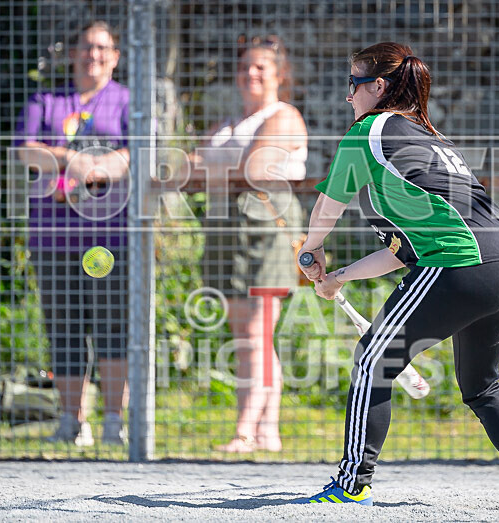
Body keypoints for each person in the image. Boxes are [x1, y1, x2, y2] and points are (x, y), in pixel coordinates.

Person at [293, 42, 499, 509]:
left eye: (353, 85)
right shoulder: (427, 138)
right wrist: (338, 274)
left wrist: (310, 247)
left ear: (377, 87)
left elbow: (327, 206)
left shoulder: (368, 131)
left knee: (373, 361)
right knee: (482, 386)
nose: (347, 97)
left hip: (459, 264)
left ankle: (351, 484)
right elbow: (405, 252)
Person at [15, 21, 131, 446]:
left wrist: (96, 170)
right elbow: (26, 149)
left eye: (102, 48)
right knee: (63, 327)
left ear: (116, 55)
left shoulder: (126, 100)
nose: (93, 55)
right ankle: (70, 421)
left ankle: (114, 423)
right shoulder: (46, 99)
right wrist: (72, 159)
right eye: (86, 47)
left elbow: (137, 151)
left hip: (110, 238)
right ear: (73, 53)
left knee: (112, 327)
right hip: (53, 236)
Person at [194, 35, 307, 453]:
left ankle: (244, 429)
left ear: (280, 74)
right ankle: (267, 431)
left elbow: (256, 166)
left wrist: (211, 164)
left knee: (257, 334)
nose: (251, 73)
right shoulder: (228, 126)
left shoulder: (284, 116)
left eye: (261, 66)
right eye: (244, 66)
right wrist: (212, 163)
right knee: (247, 336)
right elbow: (189, 165)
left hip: (265, 229)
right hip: (225, 231)